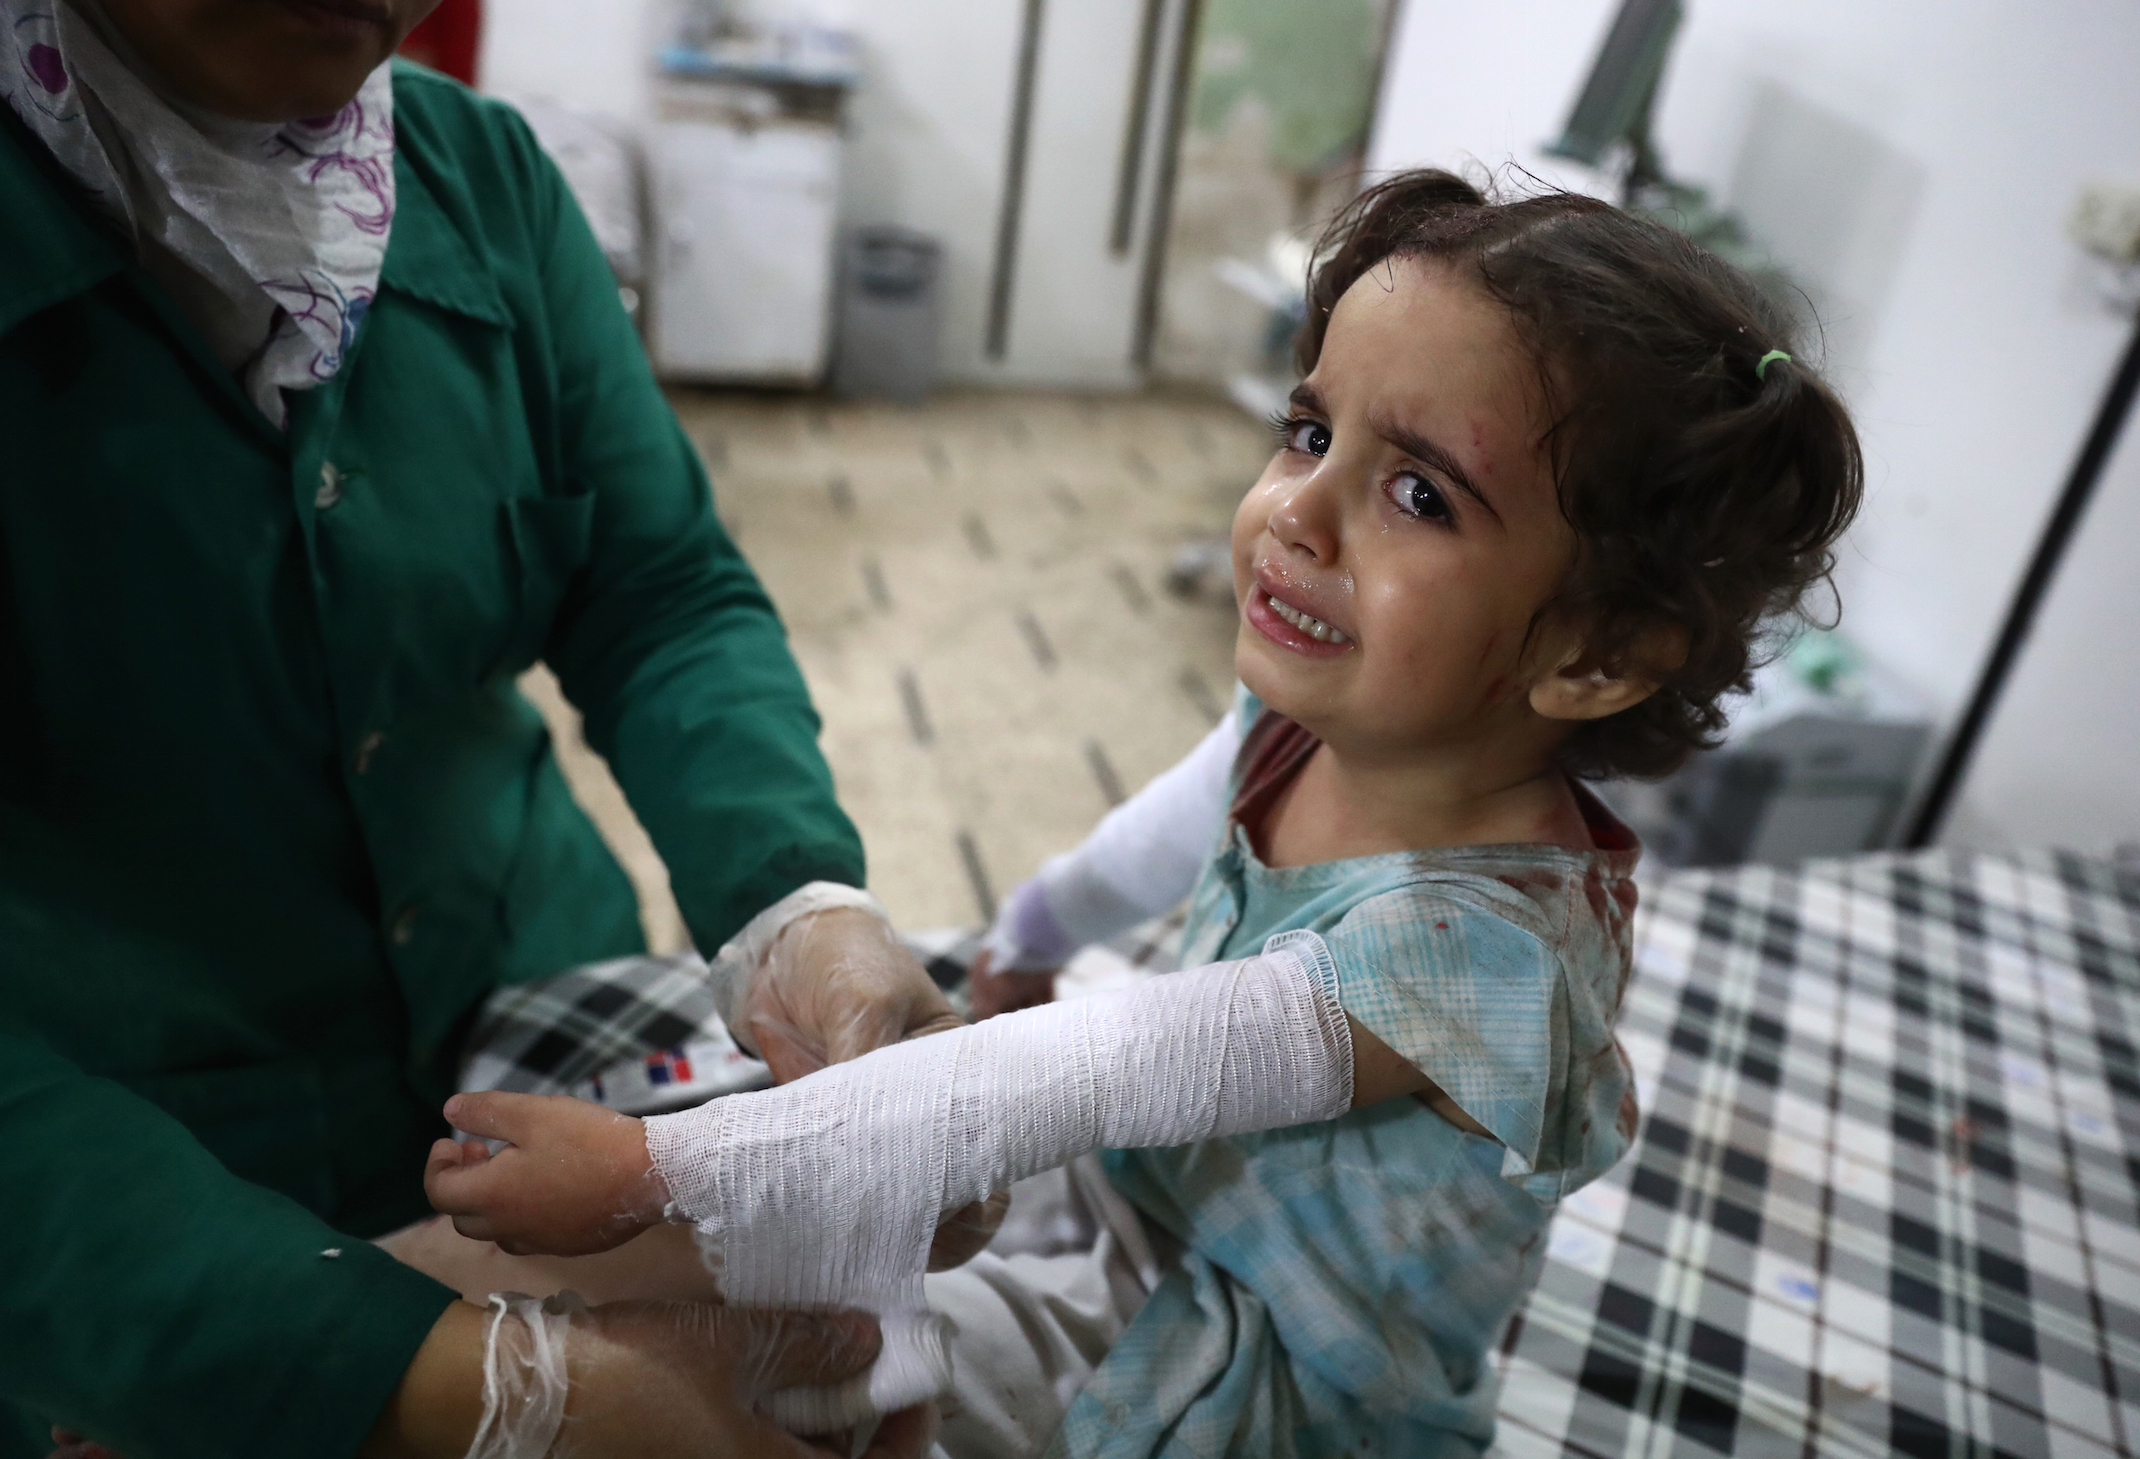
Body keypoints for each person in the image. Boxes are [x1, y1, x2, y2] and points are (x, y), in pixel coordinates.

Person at [421, 168, 1865, 1457]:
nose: (1300, 512)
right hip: (1155, 1210)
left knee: (756, 1386)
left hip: (1255, 1369)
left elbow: (1093, 1072)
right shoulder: (1312, 728)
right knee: (812, 1239)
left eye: (1419, 494)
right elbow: (1158, 842)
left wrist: (655, 1172)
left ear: (1596, 654)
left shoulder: (1473, 954)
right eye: (1310, 431)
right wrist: (1033, 933)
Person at [0, 1, 964, 1455]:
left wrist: (794, 905)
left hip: (520, 1005)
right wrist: (499, 1398)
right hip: (130, 1186)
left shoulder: (486, 191)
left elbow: (661, 591)